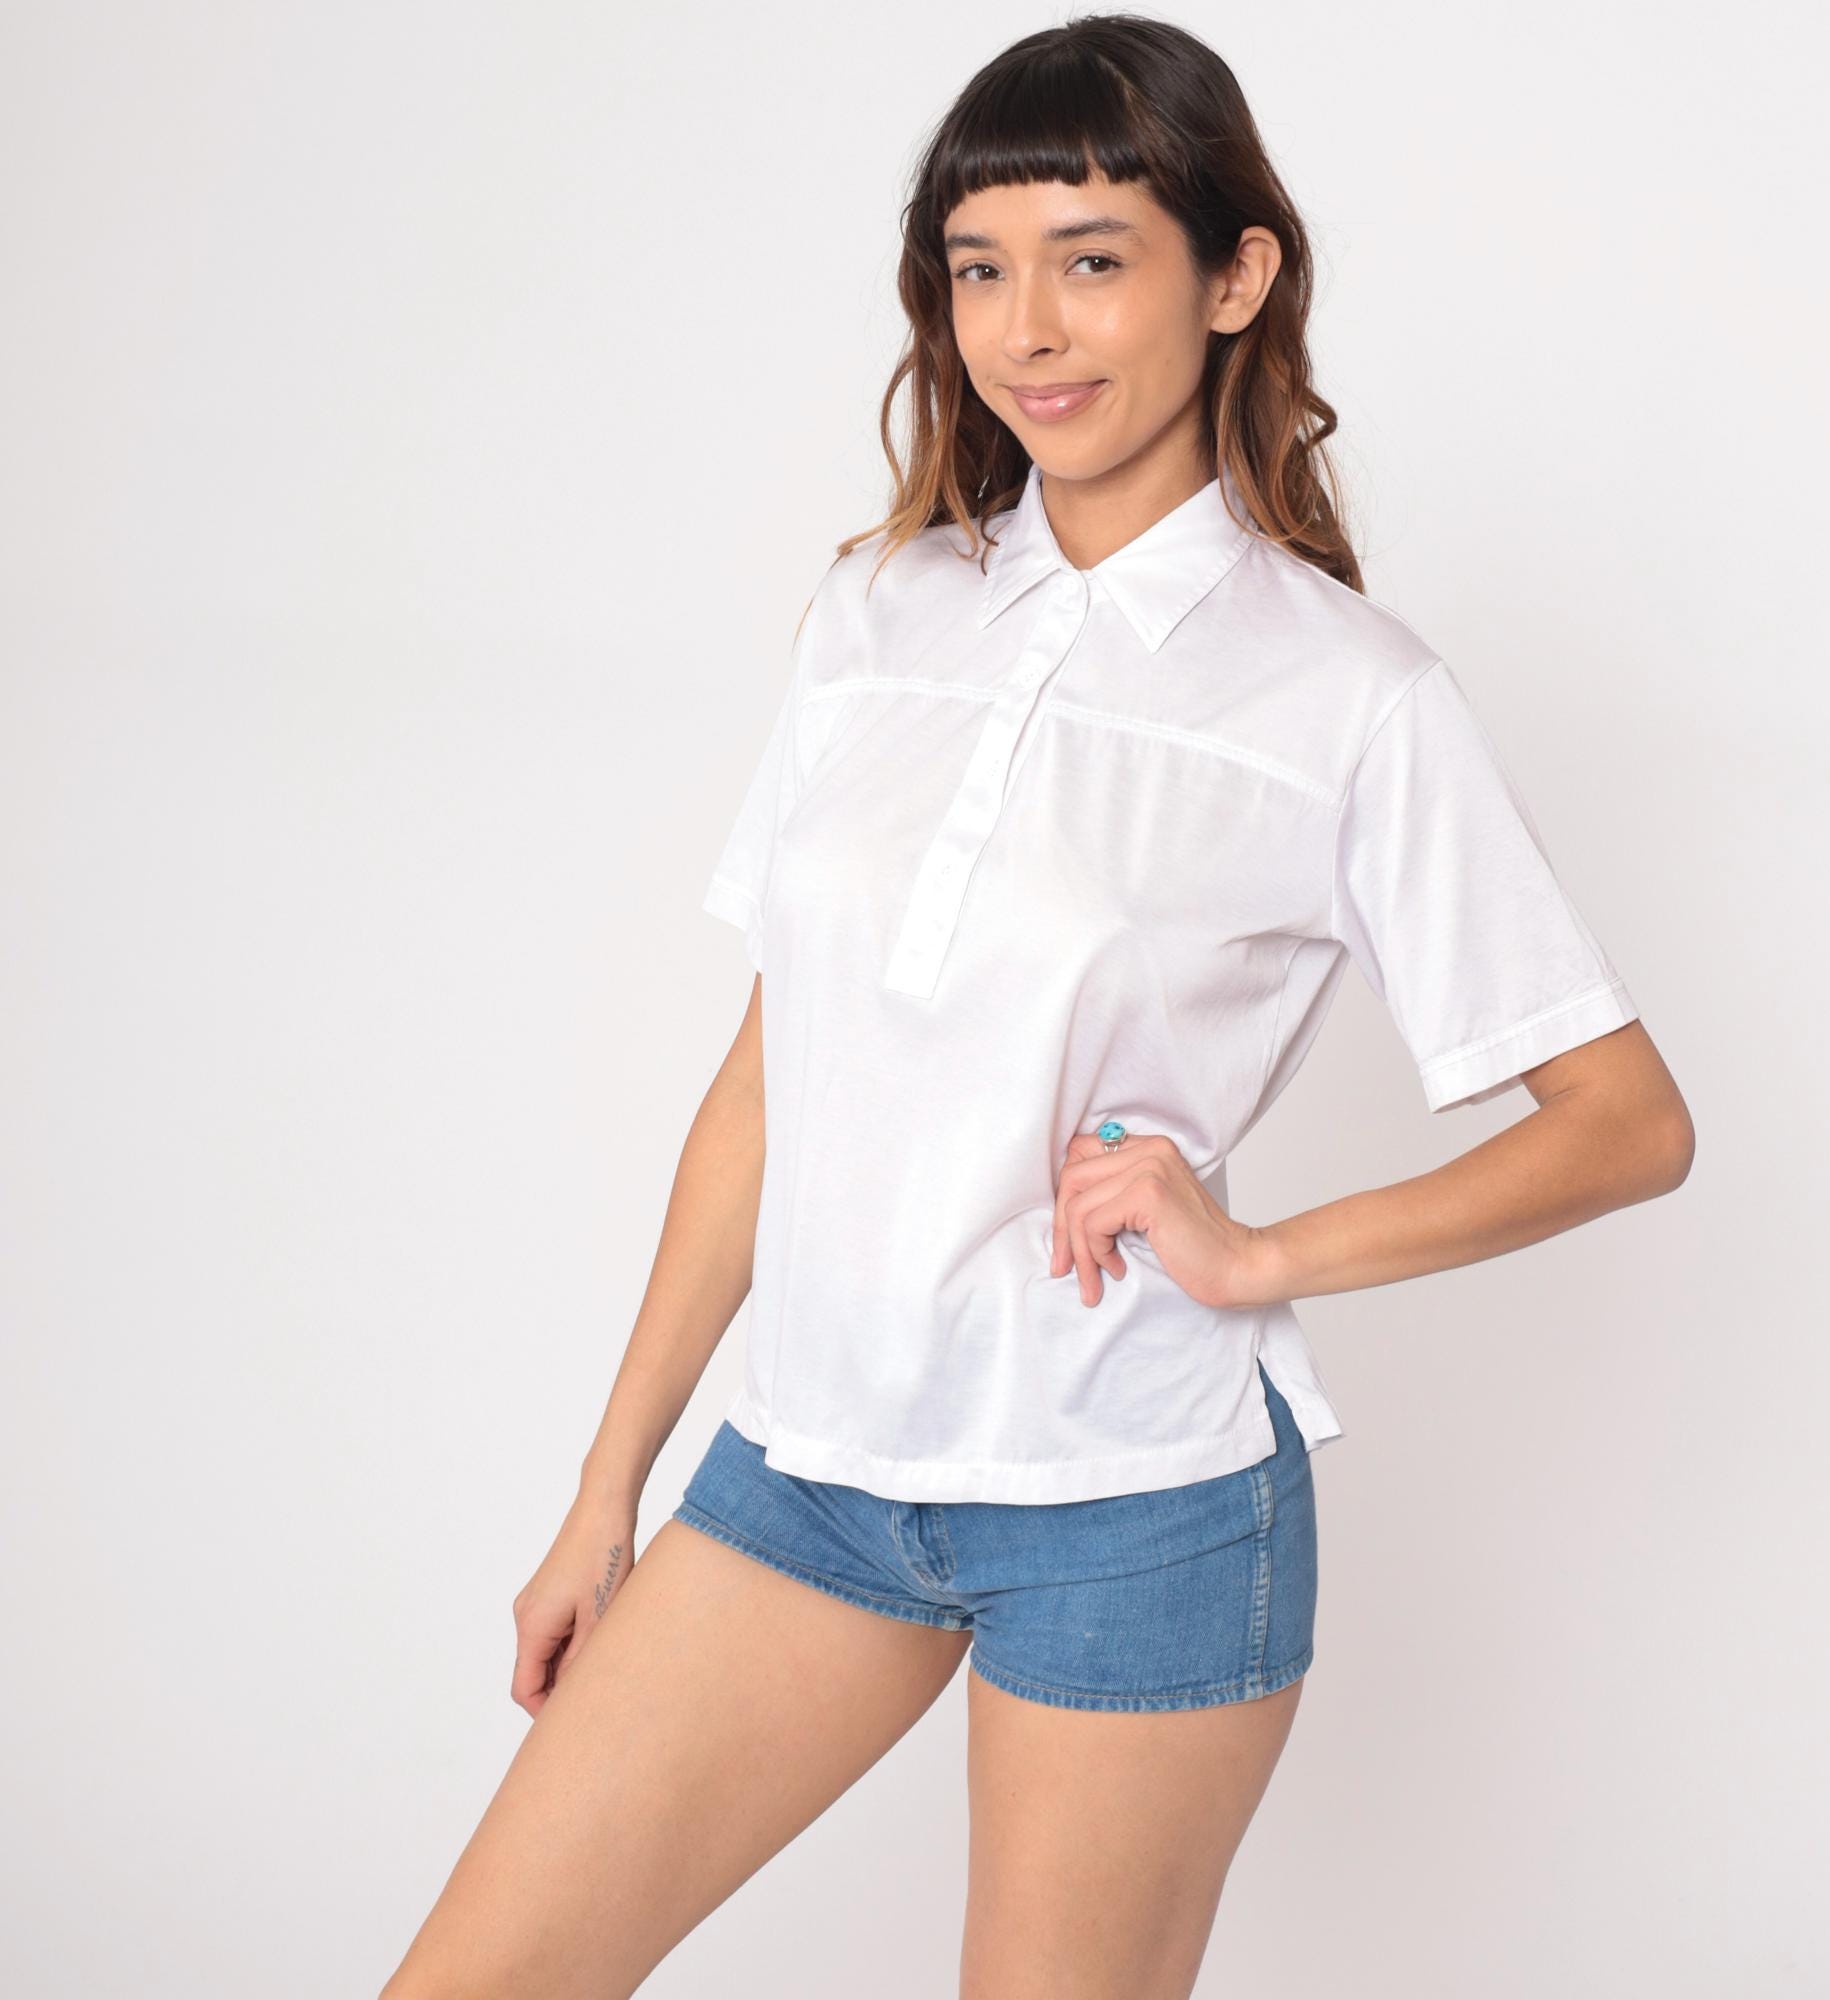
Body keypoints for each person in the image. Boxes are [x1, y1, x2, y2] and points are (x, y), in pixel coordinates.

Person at [381, 15, 1695, 1997]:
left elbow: (1625, 1121)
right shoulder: (878, 613)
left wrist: (1263, 1254)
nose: (1028, 328)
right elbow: (768, 1084)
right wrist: (605, 1491)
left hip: (1136, 1509)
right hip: (809, 1471)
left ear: (1233, 276)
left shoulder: (1347, 698)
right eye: (979, 268)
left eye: (1092, 258)